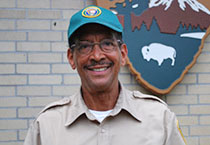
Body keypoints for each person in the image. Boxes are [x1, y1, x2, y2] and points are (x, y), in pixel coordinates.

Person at [24, 5, 186, 145]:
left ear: (122, 54)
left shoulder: (159, 118)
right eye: (85, 46)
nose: (96, 55)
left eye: (107, 44)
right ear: (71, 58)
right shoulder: (47, 126)